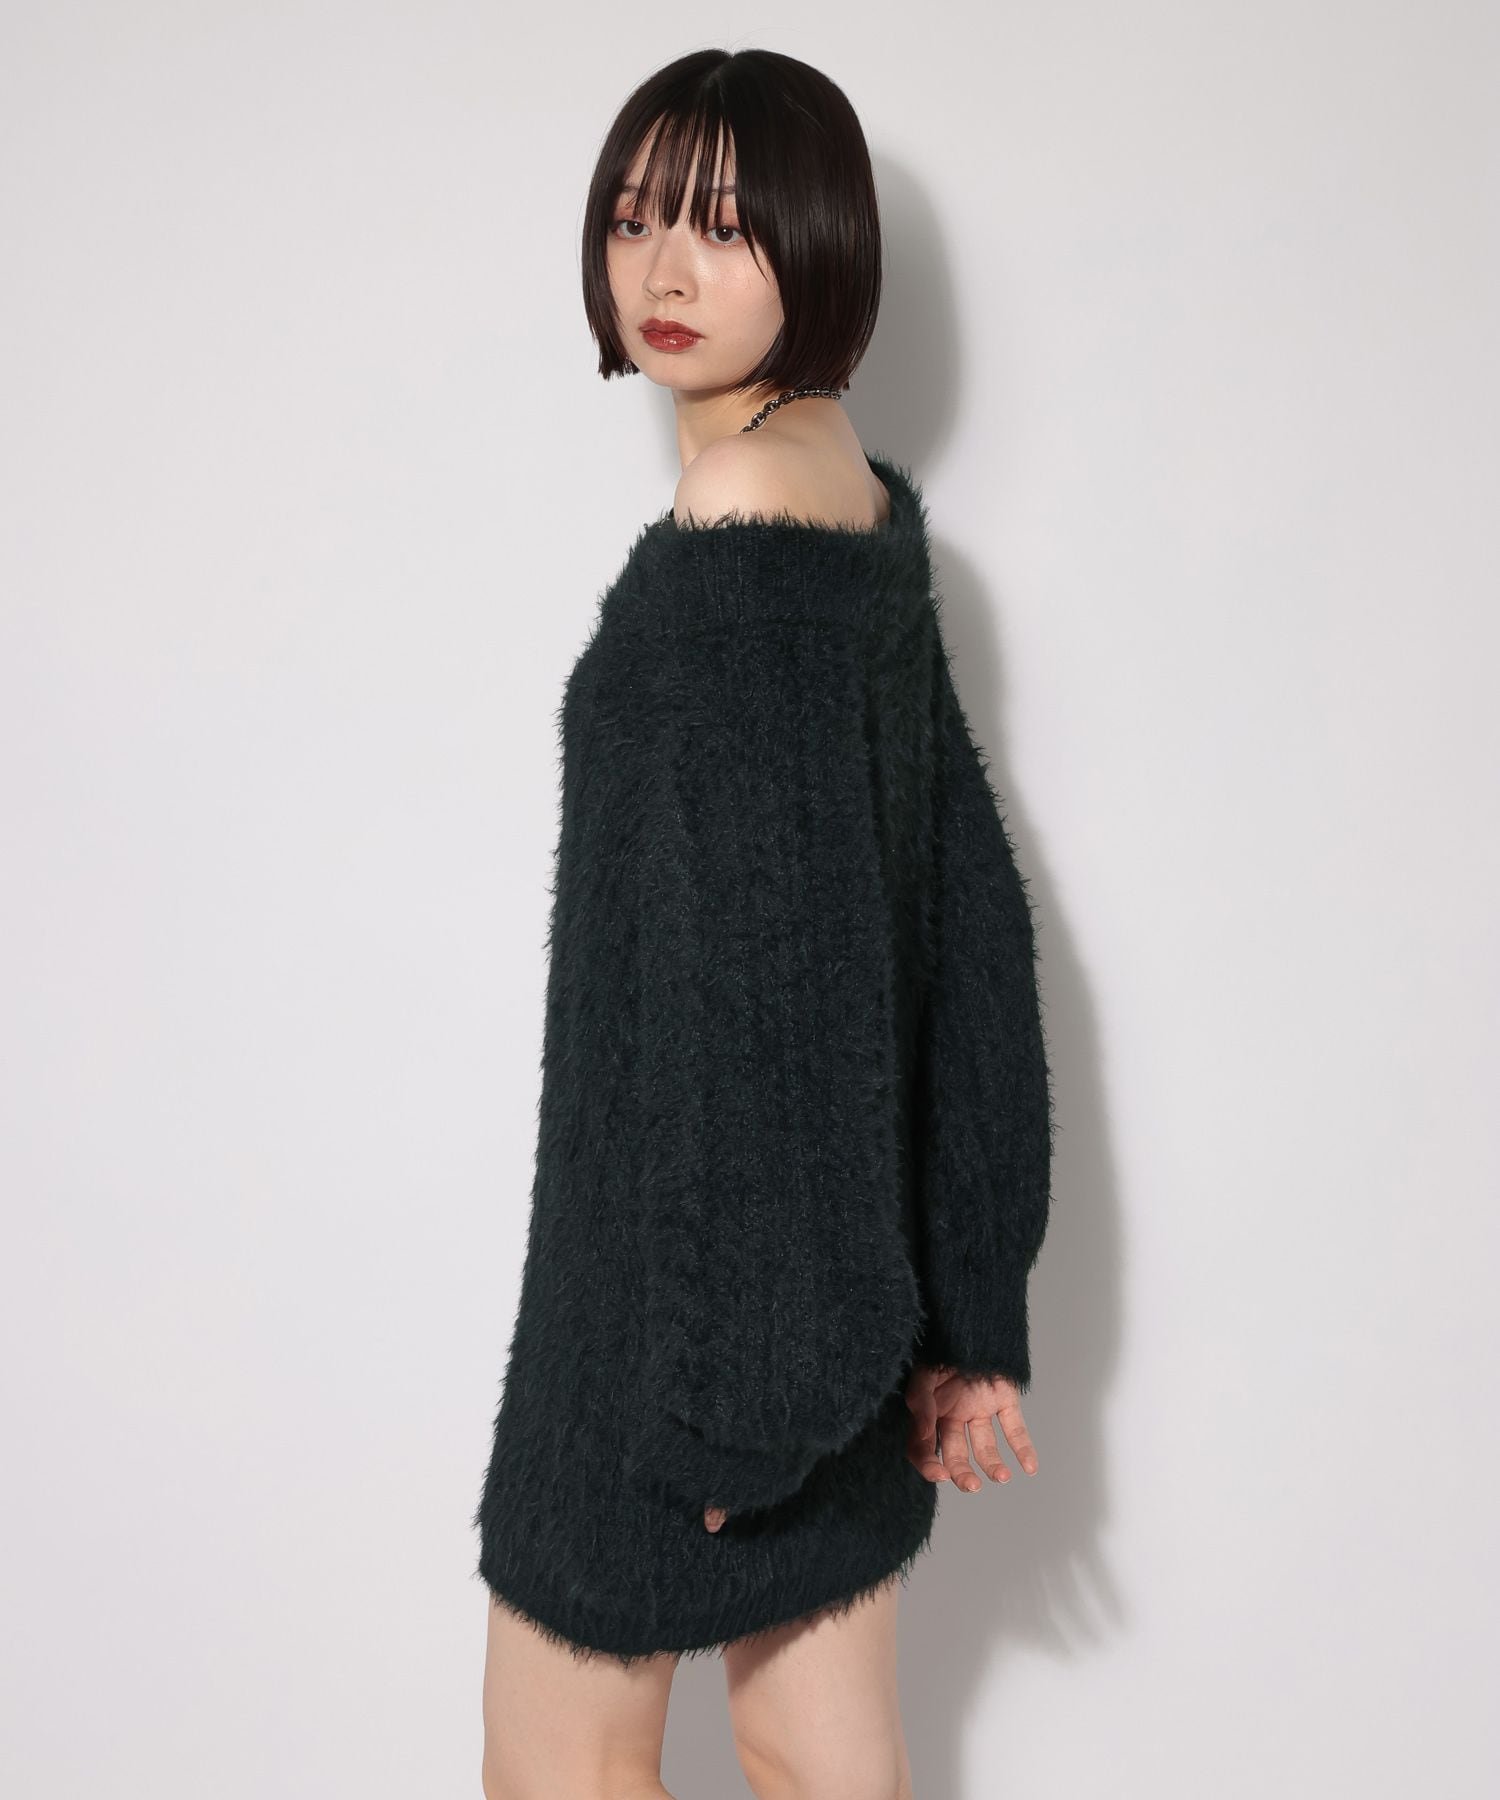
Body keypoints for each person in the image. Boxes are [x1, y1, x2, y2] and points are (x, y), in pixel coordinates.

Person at [473, 47, 1055, 1800]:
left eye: (726, 225)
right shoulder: (847, 497)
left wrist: (753, 1380)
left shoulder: (737, 523)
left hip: (693, 1319)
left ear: (821, 242)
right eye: (635, 217)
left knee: (560, 1772)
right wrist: (961, 1316)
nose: (664, 268)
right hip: (822, 1297)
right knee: (817, 1760)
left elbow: (773, 1002)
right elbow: (959, 928)